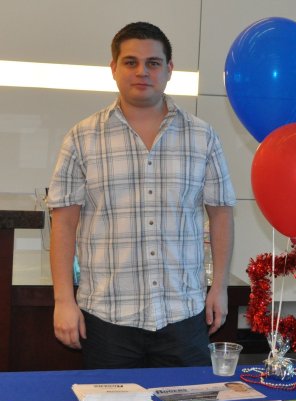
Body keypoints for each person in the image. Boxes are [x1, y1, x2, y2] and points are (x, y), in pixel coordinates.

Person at [46, 22, 236, 369]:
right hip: (106, 318)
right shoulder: (82, 138)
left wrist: (219, 288)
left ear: (169, 70)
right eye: (131, 62)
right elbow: (64, 224)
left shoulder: (202, 137)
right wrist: (63, 300)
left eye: (153, 63)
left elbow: (221, 215)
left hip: (183, 314)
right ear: (113, 68)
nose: (142, 72)